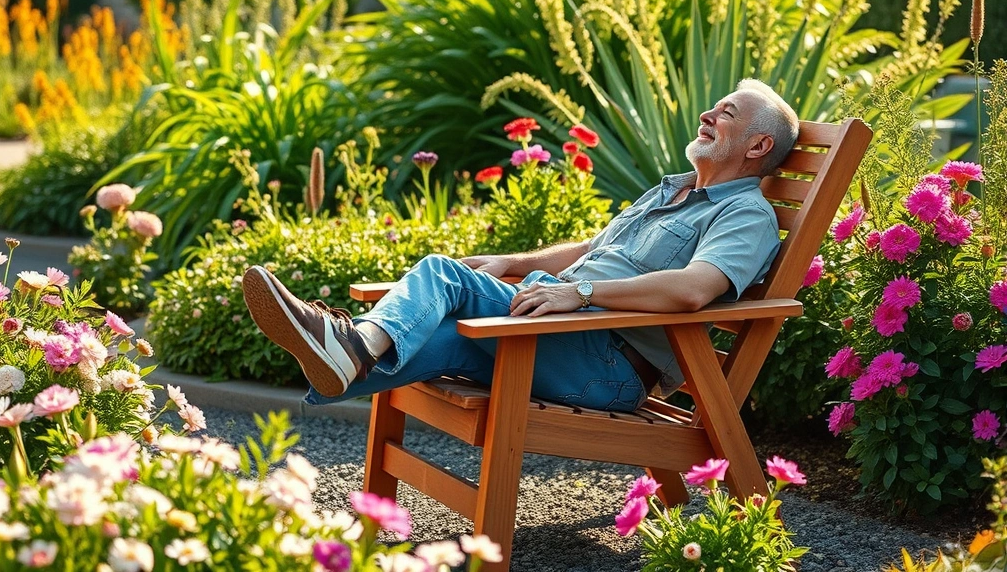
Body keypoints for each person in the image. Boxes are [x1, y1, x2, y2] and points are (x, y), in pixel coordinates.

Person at [241, 79, 799, 413]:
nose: (707, 114)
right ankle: (341, 359)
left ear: (760, 145)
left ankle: (349, 346)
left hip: (600, 361)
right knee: (433, 340)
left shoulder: (744, 214)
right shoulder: (672, 191)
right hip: (550, 332)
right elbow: (594, 245)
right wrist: (515, 262)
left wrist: (581, 294)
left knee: (443, 275)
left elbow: (696, 289)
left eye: (726, 113)